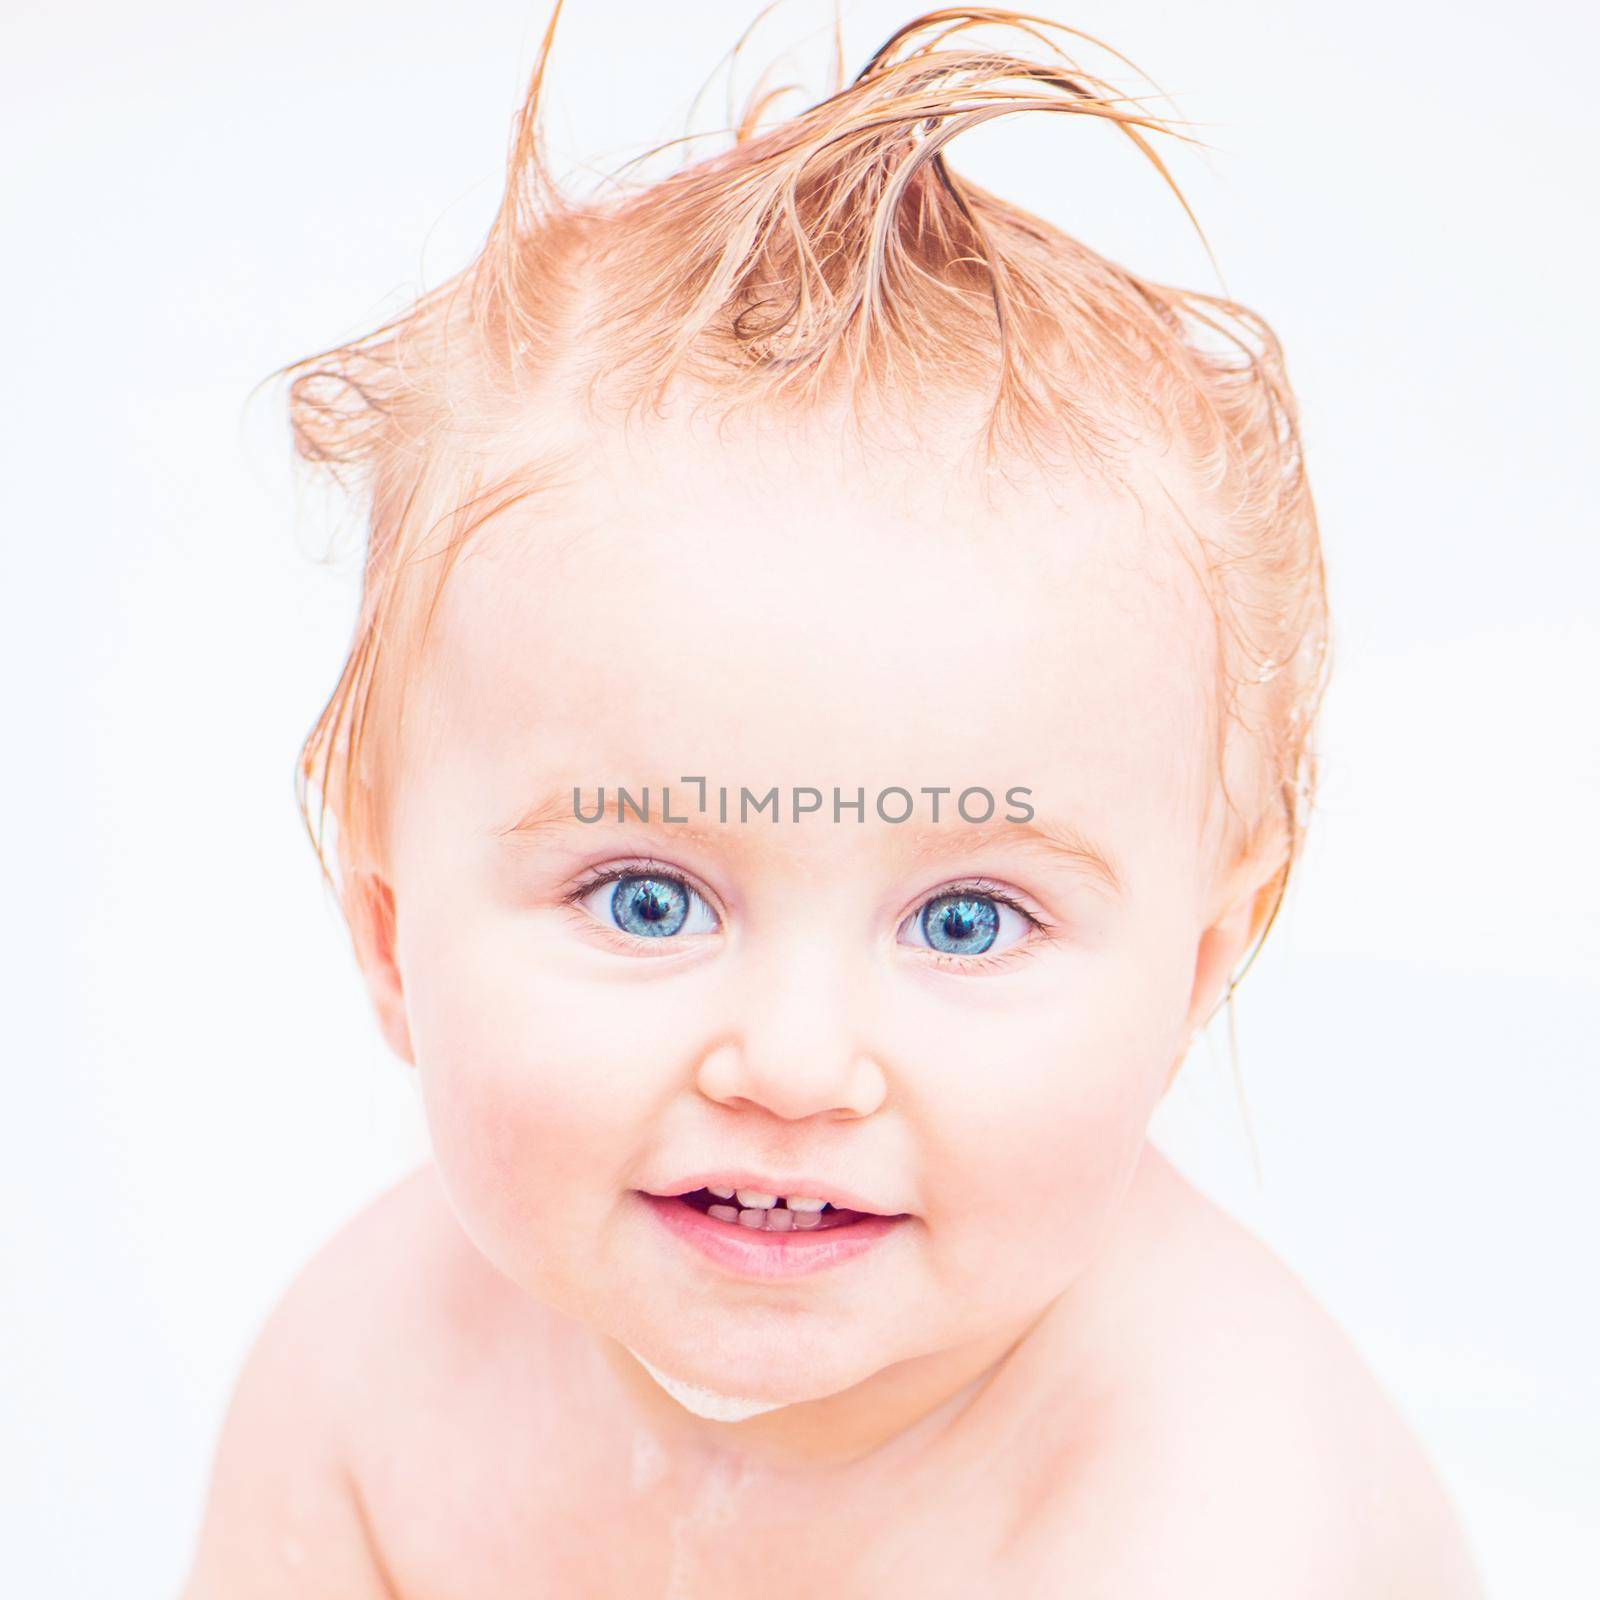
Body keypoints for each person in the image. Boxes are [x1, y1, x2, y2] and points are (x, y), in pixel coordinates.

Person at [183, 7, 1484, 1594]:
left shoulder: (1206, 1507)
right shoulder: (370, 1381)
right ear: (388, 933)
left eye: (966, 918)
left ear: (1203, 966)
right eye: (646, 898)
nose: (796, 1068)